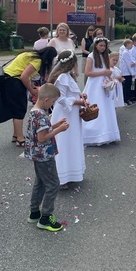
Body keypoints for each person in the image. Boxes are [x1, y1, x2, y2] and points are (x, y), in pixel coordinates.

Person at [25, 83, 69, 232]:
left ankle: (34, 212)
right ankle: (45, 218)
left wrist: (57, 124)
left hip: (37, 155)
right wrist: (60, 130)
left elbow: (42, 129)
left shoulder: (35, 112)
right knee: (53, 184)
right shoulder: (41, 115)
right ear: (46, 100)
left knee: (41, 182)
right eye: (53, 101)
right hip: (44, 155)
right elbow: (42, 138)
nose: (53, 104)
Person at [0, 47, 57, 147]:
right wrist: (31, 90)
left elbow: (25, 73)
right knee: (19, 110)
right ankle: (20, 138)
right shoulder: (38, 61)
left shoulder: (29, 54)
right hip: (14, 82)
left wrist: (32, 86)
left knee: (15, 109)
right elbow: (24, 76)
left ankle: (15, 135)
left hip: (7, 80)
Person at [48, 50, 86, 189]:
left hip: (71, 113)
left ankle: (71, 172)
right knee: (64, 143)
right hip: (64, 114)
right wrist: (77, 102)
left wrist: (81, 96)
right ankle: (61, 176)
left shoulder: (68, 76)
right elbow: (60, 98)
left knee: (71, 141)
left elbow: (71, 93)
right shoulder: (62, 77)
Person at [82, 37, 120, 146]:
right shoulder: (91, 57)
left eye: (104, 46)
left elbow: (107, 71)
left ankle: (107, 132)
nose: (103, 48)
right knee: (95, 106)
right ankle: (93, 133)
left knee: (106, 107)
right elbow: (88, 73)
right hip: (94, 85)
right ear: (96, 45)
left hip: (104, 84)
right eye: (101, 45)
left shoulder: (105, 56)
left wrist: (110, 78)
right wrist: (103, 72)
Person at [120, 39, 136, 106]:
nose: (132, 45)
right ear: (127, 45)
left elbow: (133, 61)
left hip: (129, 72)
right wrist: (132, 73)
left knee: (129, 86)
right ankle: (125, 100)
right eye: (131, 44)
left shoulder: (128, 52)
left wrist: (133, 63)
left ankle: (128, 98)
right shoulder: (125, 53)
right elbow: (129, 64)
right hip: (126, 72)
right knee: (126, 87)